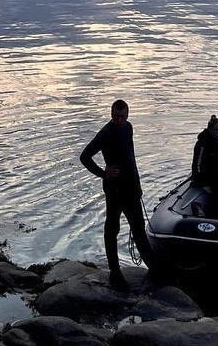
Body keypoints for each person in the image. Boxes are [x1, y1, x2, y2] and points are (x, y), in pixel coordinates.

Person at [80, 99, 157, 291]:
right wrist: (103, 172)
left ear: (128, 114)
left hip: (130, 187)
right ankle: (115, 272)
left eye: (122, 116)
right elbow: (85, 156)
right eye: (116, 116)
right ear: (111, 114)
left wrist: (138, 183)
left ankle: (155, 269)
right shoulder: (106, 132)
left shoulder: (128, 128)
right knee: (112, 229)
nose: (119, 120)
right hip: (114, 189)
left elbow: (131, 157)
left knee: (138, 228)